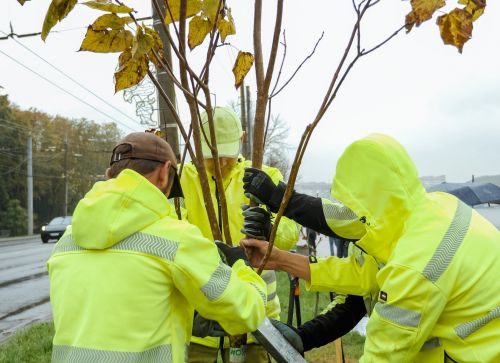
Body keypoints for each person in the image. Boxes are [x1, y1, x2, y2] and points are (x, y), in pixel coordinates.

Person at [242, 133, 500, 362]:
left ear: (372, 204)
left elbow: (383, 354)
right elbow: (362, 272)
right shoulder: (435, 206)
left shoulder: (416, 265)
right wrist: (280, 257)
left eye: (355, 206)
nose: (349, 216)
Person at [47, 132, 267, 363]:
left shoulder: (66, 242)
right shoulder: (175, 239)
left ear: (109, 175)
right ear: (164, 172)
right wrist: (242, 267)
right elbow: (246, 312)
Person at [180, 106, 300, 363]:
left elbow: (291, 232)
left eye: (228, 154)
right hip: (200, 325)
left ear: (242, 141)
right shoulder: (182, 179)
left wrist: (270, 228)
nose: (221, 162)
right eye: (213, 155)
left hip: (256, 320)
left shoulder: (264, 177)